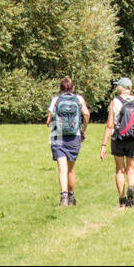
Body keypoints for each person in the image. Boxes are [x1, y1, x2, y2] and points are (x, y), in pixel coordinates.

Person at [101, 77, 134, 208]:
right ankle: (131, 188)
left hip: (118, 138)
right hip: (133, 139)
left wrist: (104, 145)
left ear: (121, 88)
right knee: (132, 169)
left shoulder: (114, 102)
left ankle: (122, 199)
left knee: (120, 169)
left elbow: (109, 125)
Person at [46, 77, 90, 207]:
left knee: (62, 169)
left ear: (60, 88)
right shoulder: (79, 99)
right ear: (73, 88)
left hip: (58, 137)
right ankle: (71, 196)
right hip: (74, 136)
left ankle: (63, 196)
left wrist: (52, 123)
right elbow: (86, 114)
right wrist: (83, 130)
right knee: (71, 170)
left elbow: (48, 121)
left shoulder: (56, 100)